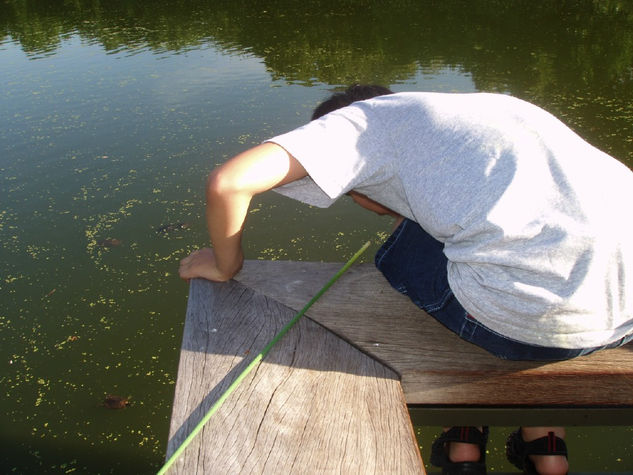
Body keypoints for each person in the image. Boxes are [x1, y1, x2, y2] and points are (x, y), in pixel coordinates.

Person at [179, 85, 633, 474]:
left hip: (535, 329)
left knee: (399, 253)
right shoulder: (482, 110)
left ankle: (466, 432)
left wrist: (225, 266)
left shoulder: (358, 124)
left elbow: (228, 182)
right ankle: (537, 438)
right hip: (622, 319)